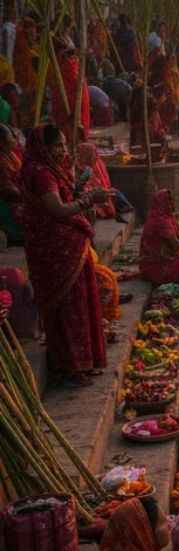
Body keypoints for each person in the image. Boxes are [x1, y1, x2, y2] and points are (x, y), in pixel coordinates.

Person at [19, 125, 106, 384]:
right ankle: (71, 366)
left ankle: (80, 362)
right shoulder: (42, 173)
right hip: (56, 249)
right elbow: (56, 210)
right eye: (58, 146)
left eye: (65, 145)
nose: (63, 151)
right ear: (44, 147)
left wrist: (81, 193)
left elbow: (64, 200)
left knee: (75, 304)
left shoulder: (43, 169)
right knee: (69, 306)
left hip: (64, 247)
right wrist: (89, 200)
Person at [139, 189, 179, 285]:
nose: (172, 203)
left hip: (156, 262)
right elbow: (176, 246)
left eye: (171, 200)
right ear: (162, 203)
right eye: (169, 200)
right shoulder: (161, 221)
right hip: (158, 267)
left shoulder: (162, 216)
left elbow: (177, 235)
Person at [74, 143, 132, 221]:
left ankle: (123, 207)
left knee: (113, 193)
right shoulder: (81, 169)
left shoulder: (90, 167)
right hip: (87, 198)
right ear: (87, 155)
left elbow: (96, 184)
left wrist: (103, 190)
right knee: (109, 195)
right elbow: (84, 187)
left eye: (95, 153)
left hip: (93, 194)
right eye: (93, 154)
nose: (95, 156)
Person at [0, 123, 23, 244]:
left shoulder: (11, 154)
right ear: (2, 142)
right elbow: (7, 188)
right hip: (7, 201)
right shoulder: (2, 161)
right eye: (12, 137)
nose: (15, 139)